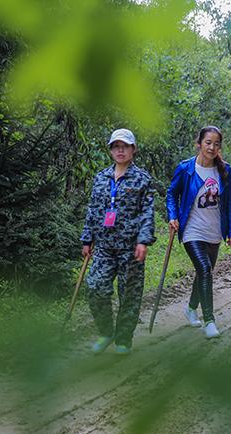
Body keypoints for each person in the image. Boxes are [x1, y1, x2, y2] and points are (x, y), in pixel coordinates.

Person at [80, 128, 155, 355]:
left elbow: (147, 212)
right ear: (111, 150)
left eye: (125, 146)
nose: (120, 150)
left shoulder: (142, 179)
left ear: (133, 149)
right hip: (103, 245)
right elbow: (93, 210)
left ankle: (123, 339)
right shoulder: (101, 177)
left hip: (130, 248)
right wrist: (87, 238)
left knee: (129, 295)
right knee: (95, 288)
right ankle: (106, 332)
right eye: (116, 146)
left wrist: (143, 241)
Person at [166, 126, 231, 339]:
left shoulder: (225, 170)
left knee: (203, 272)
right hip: (191, 229)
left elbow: (230, 202)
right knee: (205, 269)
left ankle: (190, 308)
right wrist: (172, 215)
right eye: (208, 142)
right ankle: (209, 321)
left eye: (217, 144)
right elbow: (172, 193)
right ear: (199, 143)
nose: (212, 147)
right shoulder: (186, 168)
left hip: (214, 230)